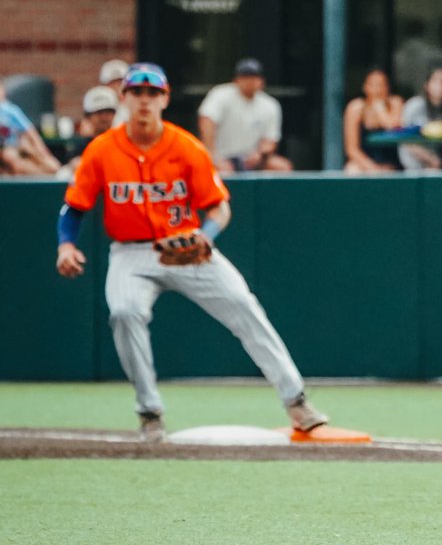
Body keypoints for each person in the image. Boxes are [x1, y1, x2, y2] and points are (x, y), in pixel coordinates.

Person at [55, 63, 327, 442]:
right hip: (131, 254)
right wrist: (66, 245)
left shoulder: (186, 147)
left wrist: (206, 235)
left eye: (153, 93)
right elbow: (74, 207)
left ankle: (296, 400)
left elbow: (220, 207)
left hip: (188, 247)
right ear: (124, 98)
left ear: (165, 99)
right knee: (124, 311)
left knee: (243, 305)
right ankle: (150, 411)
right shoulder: (102, 150)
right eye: (137, 93)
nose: (145, 101)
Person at [198, 58, 292, 172]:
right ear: (236, 80)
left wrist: (258, 154)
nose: (250, 81)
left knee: (281, 166)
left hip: (251, 159)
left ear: (261, 81)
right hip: (222, 157)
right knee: (220, 170)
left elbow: (271, 139)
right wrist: (213, 155)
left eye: (254, 77)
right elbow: (207, 121)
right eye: (245, 77)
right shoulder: (220, 94)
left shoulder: (270, 105)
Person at [343, 69, 404, 173]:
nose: (377, 90)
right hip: (365, 162)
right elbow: (352, 149)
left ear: (388, 88)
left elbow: (394, 129)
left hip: (391, 162)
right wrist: (372, 167)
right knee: (352, 170)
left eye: (381, 85)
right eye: (373, 85)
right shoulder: (356, 108)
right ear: (365, 87)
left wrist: (380, 109)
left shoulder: (395, 103)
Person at [57, 86, 120, 180]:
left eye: (108, 112)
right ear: (88, 116)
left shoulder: (122, 142)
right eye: (99, 112)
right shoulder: (80, 146)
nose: (104, 117)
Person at [399, 66, 442, 170]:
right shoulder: (415, 105)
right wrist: (430, 159)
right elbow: (405, 139)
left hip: (438, 168)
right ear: (426, 85)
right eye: (437, 81)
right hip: (414, 169)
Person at [0, 81, 60, 176]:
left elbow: (30, 131)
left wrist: (43, 152)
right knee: (11, 157)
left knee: (53, 166)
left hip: (20, 146)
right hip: (7, 150)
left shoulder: (10, 110)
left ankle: (48, 178)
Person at [99, 58, 130, 126]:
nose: (117, 87)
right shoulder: (98, 107)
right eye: (113, 83)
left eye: (120, 82)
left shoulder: (134, 105)